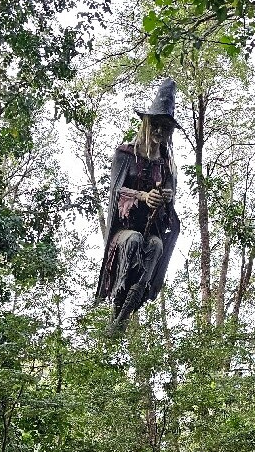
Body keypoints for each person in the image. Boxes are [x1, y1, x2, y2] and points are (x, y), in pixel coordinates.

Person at [96, 79, 181, 334]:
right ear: (146, 123)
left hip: (151, 231)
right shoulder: (125, 153)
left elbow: (170, 200)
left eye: (165, 128)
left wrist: (166, 197)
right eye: (155, 125)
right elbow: (115, 190)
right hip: (126, 231)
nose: (159, 132)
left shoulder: (167, 164)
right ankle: (117, 305)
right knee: (132, 240)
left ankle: (125, 314)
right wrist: (142, 197)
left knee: (155, 246)